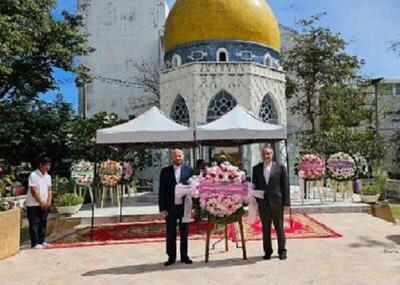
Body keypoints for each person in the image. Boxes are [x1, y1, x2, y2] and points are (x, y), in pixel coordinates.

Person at [252, 146, 290, 260]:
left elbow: (285, 186)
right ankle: (267, 251)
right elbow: (255, 186)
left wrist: (286, 203)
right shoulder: (256, 168)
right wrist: (257, 201)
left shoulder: (280, 168)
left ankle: (282, 251)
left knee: (279, 227)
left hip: (277, 203)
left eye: (268, 154)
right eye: (264, 154)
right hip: (263, 204)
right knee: (265, 228)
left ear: (272, 154)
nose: (266, 156)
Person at [159, 149, 194, 266]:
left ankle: (184, 256)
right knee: (170, 233)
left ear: (183, 157)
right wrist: (162, 208)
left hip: (185, 207)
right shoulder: (165, 171)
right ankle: (171, 257)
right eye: (175, 156)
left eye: (179, 156)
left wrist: (194, 206)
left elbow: (193, 188)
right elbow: (161, 191)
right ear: (171, 158)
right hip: (170, 207)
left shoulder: (189, 170)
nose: (177, 158)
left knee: (184, 232)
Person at [26, 157, 52, 249]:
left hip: (44, 204)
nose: (48, 167)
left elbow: (49, 190)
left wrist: (48, 201)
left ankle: (42, 241)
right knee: (34, 223)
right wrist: (40, 202)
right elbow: (33, 190)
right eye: (46, 165)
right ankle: (35, 243)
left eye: (49, 165)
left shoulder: (48, 176)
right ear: (41, 165)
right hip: (33, 204)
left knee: (43, 223)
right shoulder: (33, 175)